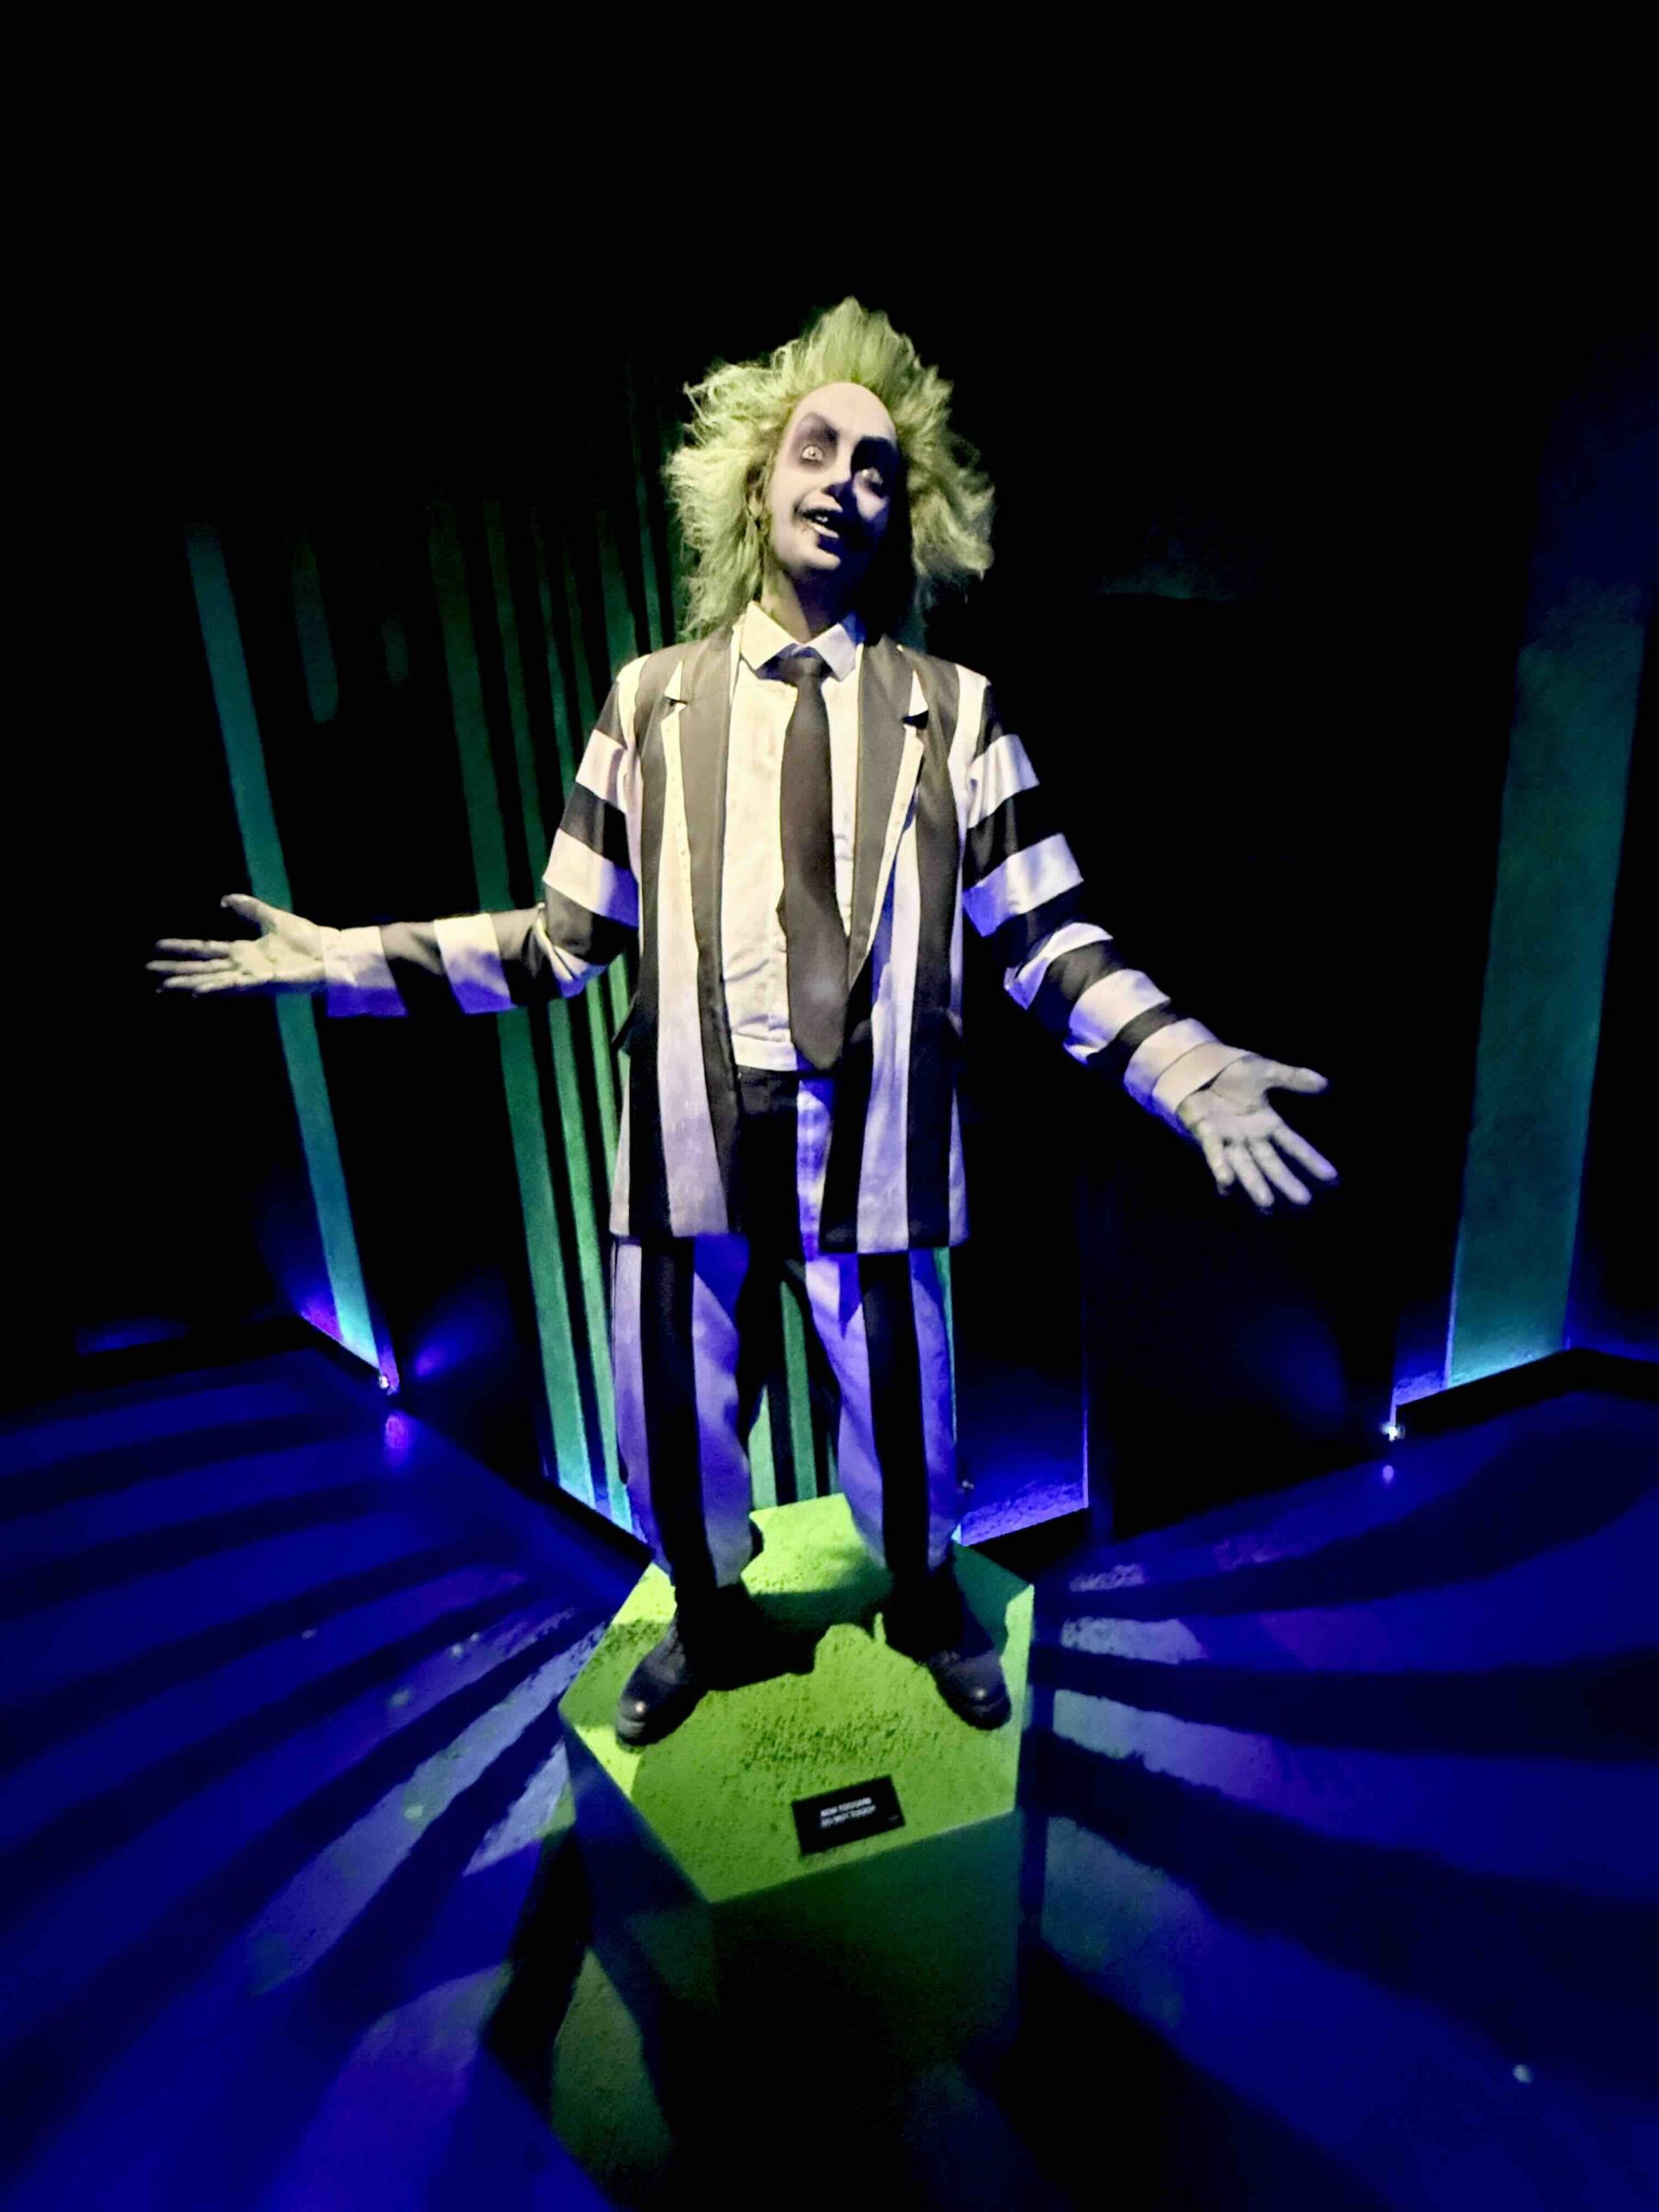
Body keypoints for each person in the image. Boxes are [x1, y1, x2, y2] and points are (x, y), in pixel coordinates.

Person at [151, 299, 1338, 1747]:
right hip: (691, 1145)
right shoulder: (649, 706)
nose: (844, 484)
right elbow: (558, 943)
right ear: (756, 479)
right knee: (671, 1426)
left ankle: (923, 1597)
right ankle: (707, 1615)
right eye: (817, 450)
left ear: (908, 516)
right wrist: (343, 959)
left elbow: (1049, 937)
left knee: (909, 1430)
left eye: (878, 469)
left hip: (876, 1144)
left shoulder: (957, 717)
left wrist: (1187, 1065)